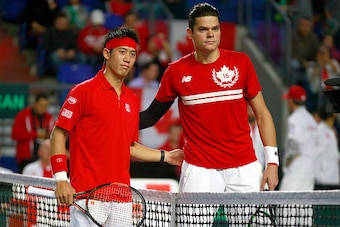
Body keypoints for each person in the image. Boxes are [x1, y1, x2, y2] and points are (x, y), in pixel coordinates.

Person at [49, 27, 184, 226]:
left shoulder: (131, 99)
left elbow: (129, 146)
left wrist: (166, 156)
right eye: (122, 52)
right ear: (106, 53)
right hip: (88, 196)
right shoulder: (82, 92)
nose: (127, 59)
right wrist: (61, 179)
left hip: (122, 197)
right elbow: (58, 134)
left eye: (132, 54)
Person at [139, 3, 279, 193]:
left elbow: (262, 114)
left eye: (215, 29)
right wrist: (113, 121)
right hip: (199, 170)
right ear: (190, 33)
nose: (211, 34)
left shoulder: (241, 62)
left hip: (244, 168)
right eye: (203, 29)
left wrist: (272, 162)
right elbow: (151, 116)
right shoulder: (176, 71)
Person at [280, 85, 318, 191]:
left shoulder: (293, 119)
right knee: (304, 206)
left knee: (285, 206)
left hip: (295, 172)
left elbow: (295, 143)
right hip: (310, 172)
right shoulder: (311, 120)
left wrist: (288, 160)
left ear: (291, 100)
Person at [11, 93, 55, 173]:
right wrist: (35, 134)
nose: (43, 108)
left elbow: (55, 136)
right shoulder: (23, 115)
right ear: (35, 103)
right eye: (41, 105)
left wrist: (47, 135)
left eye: (46, 106)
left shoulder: (49, 118)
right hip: (26, 157)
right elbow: (15, 135)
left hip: (45, 158)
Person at [313, 108, 340, 189]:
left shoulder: (327, 130)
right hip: (327, 175)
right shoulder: (324, 130)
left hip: (329, 176)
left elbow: (333, 152)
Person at [247, 105, 265, 171]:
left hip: (261, 169)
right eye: (248, 109)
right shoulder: (240, 128)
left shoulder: (264, 127)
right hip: (246, 170)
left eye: (253, 109)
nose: (251, 112)